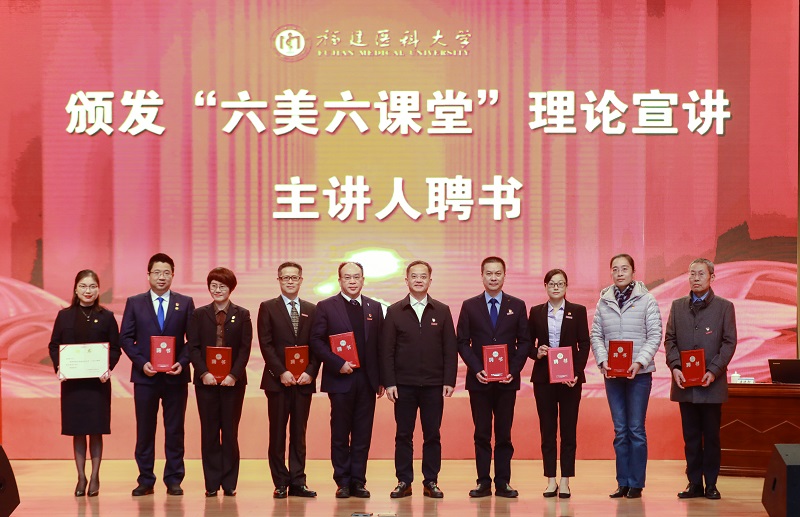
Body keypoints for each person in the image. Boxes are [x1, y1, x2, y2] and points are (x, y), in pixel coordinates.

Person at [380, 261, 457, 499]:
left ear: (430, 281)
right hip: (403, 386)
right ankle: (404, 481)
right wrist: (389, 382)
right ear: (406, 280)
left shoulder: (442, 310)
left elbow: (450, 348)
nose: (419, 280)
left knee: (432, 434)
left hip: (434, 385)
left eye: (423, 276)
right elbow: (387, 350)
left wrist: (449, 380)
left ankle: (430, 481)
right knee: (403, 435)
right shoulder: (394, 311)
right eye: (414, 276)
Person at [120, 253, 195, 496]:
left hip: (175, 377)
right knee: (145, 430)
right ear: (148, 275)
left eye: (166, 273)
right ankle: (145, 479)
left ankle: (174, 479)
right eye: (157, 273)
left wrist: (182, 362)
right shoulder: (135, 303)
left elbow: (193, 339)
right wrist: (142, 363)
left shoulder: (185, 303)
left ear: (173, 275)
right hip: (145, 378)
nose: (161, 277)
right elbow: (125, 338)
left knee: (175, 430)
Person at [456, 256, 531, 498]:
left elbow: (525, 342)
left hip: (507, 382)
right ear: (482, 276)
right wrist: (477, 368)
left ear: (504, 276)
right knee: (482, 433)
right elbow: (462, 342)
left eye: (498, 273)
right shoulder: (470, 306)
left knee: (504, 434)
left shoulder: (517, 305)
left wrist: (513, 370)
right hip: (479, 381)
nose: (493, 277)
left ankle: (503, 482)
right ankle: (483, 482)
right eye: (489, 273)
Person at [309, 261, 385, 498]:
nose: (352, 281)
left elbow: (381, 345)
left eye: (356, 277)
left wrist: (381, 379)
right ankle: (342, 481)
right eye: (347, 277)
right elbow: (316, 341)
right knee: (340, 433)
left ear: (363, 280)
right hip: (340, 379)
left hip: (367, 381)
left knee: (363, 433)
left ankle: (358, 481)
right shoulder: (325, 306)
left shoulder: (374, 307)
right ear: (339, 280)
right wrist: (337, 363)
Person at [590, 253, 662, 499]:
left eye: (624, 269)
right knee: (620, 430)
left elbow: (654, 335)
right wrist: (603, 360)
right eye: (615, 269)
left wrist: (639, 362)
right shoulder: (603, 301)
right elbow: (596, 335)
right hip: (612, 376)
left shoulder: (647, 300)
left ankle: (636, 483)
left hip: (639, 375)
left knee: (636, 429)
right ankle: (623, 482)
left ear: (633, 272)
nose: (619, 273)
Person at [664, 258, 737, 500]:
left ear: (712, 277)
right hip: (685, 384)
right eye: (692, 274)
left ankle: (711, 484)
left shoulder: (724, 307)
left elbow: (729, 343)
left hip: (711, 384)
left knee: (712, 437)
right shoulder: (677, 306)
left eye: (700, 274)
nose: (695, 278)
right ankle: (694, 483)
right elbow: (669, 340)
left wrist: (713, 370)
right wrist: (675, 367)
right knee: (691, 437)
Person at [48, 270, 121, 497]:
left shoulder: (107, 317)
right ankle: (81, 477)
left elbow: (116, 348)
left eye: (92, 286)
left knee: (96, 431)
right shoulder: (64, 316)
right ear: (76, 289)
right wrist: (60, 367)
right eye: (83, 286)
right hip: (73, 385)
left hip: (98, 385)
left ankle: (96, 476)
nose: (88, 291)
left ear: (98, 290)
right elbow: (54, 345)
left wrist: (107, 368)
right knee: (78, 431)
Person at [187, 267, 252, 497]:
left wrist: (233, 375)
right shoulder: (199, 314)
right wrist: (203, 372)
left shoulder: (242, 314)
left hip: (233, 384)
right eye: (213, 285)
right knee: (210, 433)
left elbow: (245, 348)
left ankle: (230, 483)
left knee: (230, 432)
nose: (217, 290)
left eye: (222, 286)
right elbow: (193, 347)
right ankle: (212, 483)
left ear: (230, 288)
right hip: (206, 383)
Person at [258, 262, 319, 499]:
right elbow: (266, 344)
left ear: (301, 280)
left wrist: (311, 372)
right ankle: (280, 482)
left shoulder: (312, 309)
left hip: (303, 382)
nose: (290, 281)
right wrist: (281, 371)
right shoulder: (267, 307)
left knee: (299, 433)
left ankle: (298, 481)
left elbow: (317, 345)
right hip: (277, 382)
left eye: (294, 277)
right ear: (279, 280)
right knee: (277, 433)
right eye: (286, 278)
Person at [528, 269, 590, 499]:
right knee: (547, 430)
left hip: (570, 380)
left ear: (566, 286)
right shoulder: (536, 312)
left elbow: (584, 344)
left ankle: (565, 480)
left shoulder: (578, 311)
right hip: (543, 379)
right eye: (552, 283)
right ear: (545, 286)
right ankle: (550, 479)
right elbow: (526, 343)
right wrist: (537, 352)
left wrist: (577, 372)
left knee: (568, 430)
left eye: (560, 283)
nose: (556, 287)